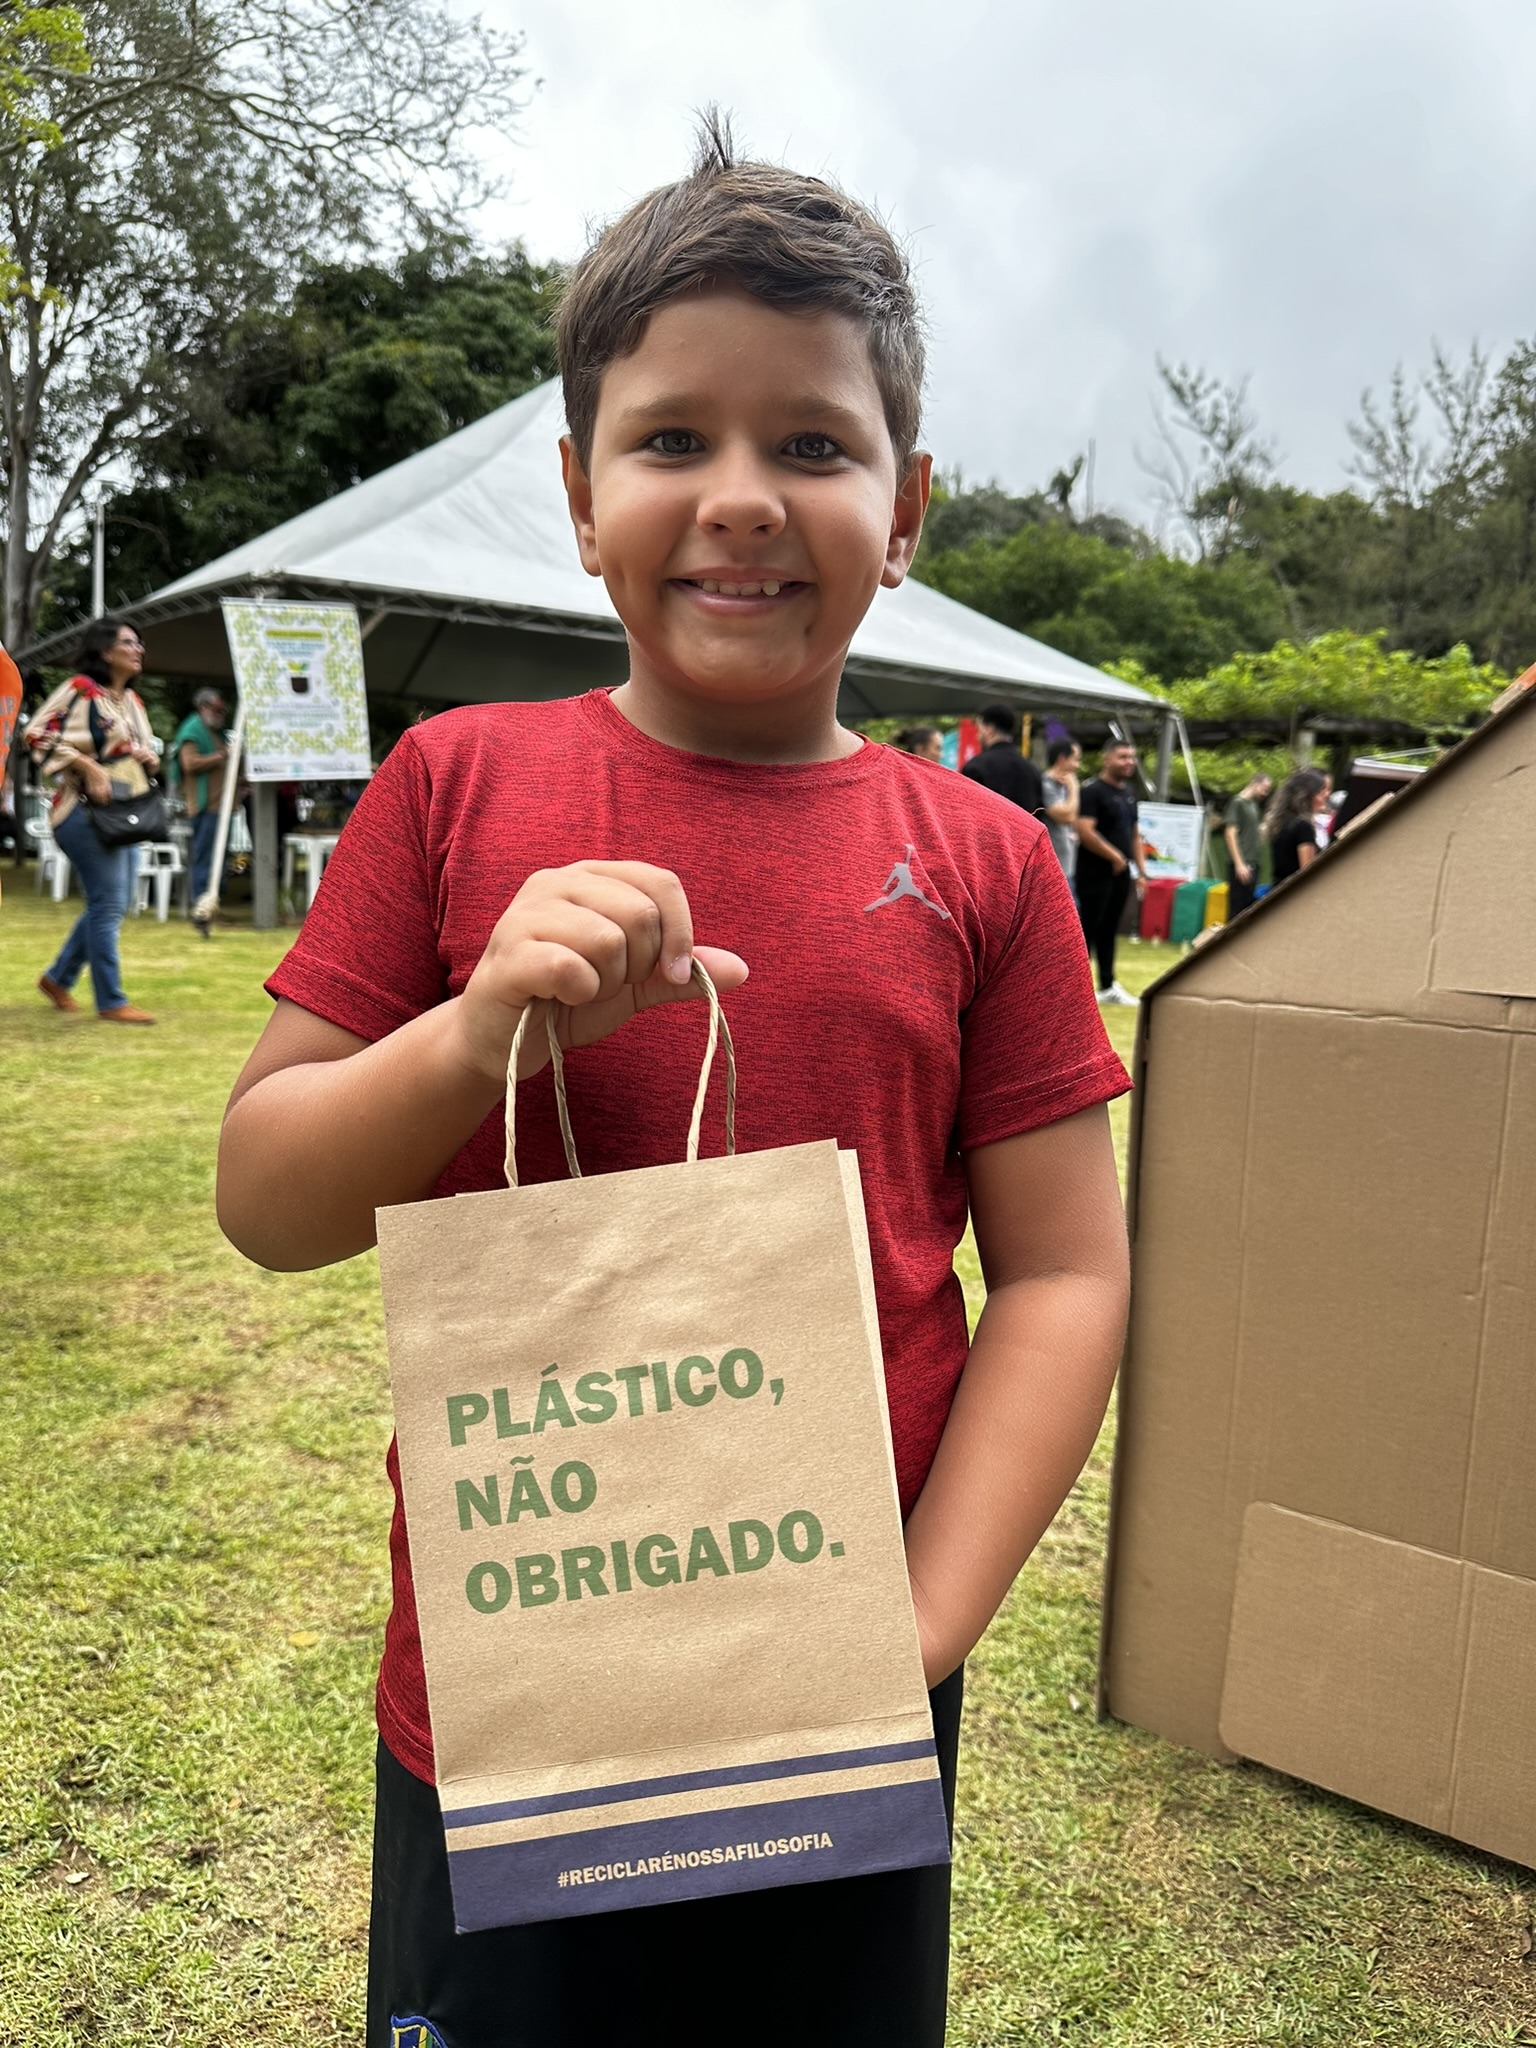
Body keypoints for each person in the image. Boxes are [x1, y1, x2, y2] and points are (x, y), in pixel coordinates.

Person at [217, 122, 1132, 2048]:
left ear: (909, 508)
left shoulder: (981, 860)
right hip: (510, 1673)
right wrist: (477, 1036)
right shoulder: (457, 786)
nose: (741, 497)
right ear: (573, 492)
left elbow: (1063, 1271)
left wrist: (916, 1625)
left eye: (814, 443)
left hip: (841, 1674)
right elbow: (268, 1195)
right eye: (671, 440)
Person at [28, 616, 159, 1025]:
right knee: (108, 903)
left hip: (125, 812)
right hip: (82, 812)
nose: (138, 649)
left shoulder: (133, 703)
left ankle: (57, 978)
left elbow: (147, 751)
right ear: (106, 651)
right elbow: (35, 734)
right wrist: (87, 764)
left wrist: (147, 757)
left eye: (139, 643)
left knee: (110, 903)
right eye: (128, 642)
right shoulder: (80, 690)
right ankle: (111, 999)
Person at [1073, 738, 1147, 1006]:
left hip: (1121, 873)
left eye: (1131, 757)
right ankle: (1074, 990)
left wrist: (1140, 870)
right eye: (1122, 757)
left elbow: (1135, 834)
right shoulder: (1092, 791)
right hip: (1094, 872)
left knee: (1109, 930)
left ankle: (1107, 985)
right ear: (1107, 759)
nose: (1128, 762)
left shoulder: (1128, 793)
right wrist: (1114, 855)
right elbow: (1084, 829)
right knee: (1087, 931)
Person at [171, 686, 235, 910]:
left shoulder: (213, 732)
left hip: (220, 808)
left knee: (216, 859)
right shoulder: (192, 730)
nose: (220, 714)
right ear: (202, 707)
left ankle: (211, 902)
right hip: (205, 806)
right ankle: (200, 903)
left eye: (222, 710)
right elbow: (189, 763)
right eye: (217, 709)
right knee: (204, 858)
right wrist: (221, 755)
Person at [960, 701, 1044, 814]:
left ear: (989, 729)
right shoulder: (1032, 769)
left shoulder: (975, 767)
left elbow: (965, 811)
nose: (977, 736)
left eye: (979, 729)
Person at [1264, 767, 1332, 884]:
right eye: (1320, 793)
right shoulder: (1303, 827)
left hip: (1278, 890)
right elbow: (1307, 873)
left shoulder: (1280, 823)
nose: (1325, 797)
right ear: (1307, 797)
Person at [1222, 770, 1274, 917]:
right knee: (1237, 908)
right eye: (1264, 788)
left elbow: (1254, 833)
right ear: (1254, 783)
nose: (1265, 793)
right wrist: (1239, 864)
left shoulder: (1253, 806)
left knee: (1247, 906)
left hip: (1253, 861)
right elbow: (1230, 833)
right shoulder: (1237, 802)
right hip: (1242, 863)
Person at [1041, 736, 1081, 887]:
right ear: (1062, 758)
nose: (1077, 765)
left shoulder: (1060, 786)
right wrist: (1074, 788)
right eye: (1075, 759)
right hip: (1054, 871)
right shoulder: (1046, 785)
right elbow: (1068, 816)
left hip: (1067, 867)